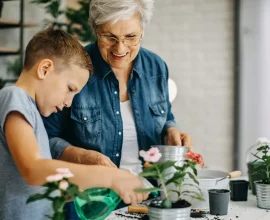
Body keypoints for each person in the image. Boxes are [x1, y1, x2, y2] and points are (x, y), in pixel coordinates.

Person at [43, 0, 193, 218]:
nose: (120, 48)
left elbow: (165, 114)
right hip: (91, 205)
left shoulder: (156, 67)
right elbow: (47, 137)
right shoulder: (74, 70)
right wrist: (84, 156)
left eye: (131, 37)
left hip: (149, 201)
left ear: (143, 29)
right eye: (109, 37)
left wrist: (170, 129)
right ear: (95, 30)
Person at [0, 27, 147, 220]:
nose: (69, 102)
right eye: (70, 89)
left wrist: (76, 190)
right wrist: (111, 177)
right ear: (45, 69)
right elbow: (33, 170)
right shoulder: (13, 96)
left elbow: (39, 183)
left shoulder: (32, 114)